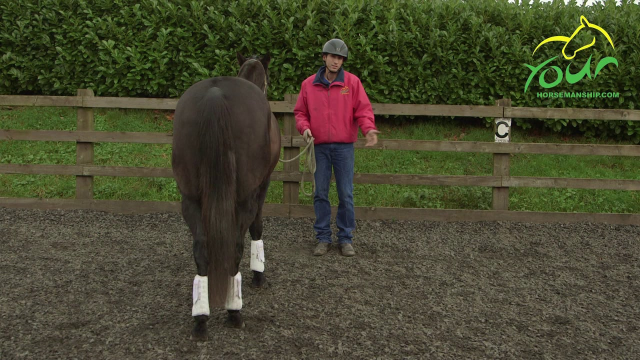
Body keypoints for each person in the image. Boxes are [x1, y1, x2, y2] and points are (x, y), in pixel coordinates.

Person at [293, 38, 380, 257]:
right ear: (324, 57)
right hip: (319, 147)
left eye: (340, 58)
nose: (336, 61)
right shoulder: (308, 85)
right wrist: (304, 128)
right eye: (333, 56)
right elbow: (300, 112)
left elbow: (363, 110)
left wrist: (368, 129)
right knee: (320, 193)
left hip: (344, 148)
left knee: (345, 193)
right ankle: (323, 237)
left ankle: (345, 238)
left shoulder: (352, 83)